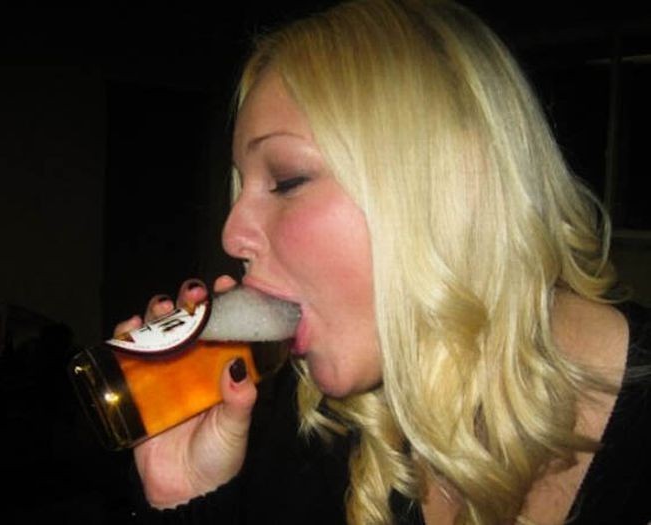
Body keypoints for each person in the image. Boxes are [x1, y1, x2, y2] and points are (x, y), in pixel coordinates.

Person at [120, 0, 651, 523]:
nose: (232, 235)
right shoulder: (311, 428)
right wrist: (186, 500)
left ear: (454, 179)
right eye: (243, 186)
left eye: (286, 180)